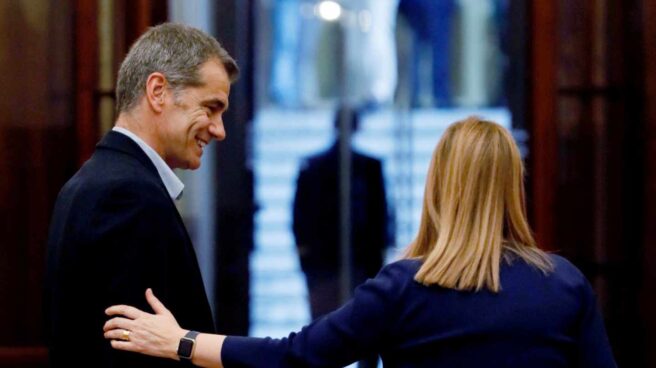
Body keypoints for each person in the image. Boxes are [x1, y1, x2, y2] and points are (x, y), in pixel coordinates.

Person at [102, 117, 617, 367]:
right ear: (513, 186)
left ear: (438, 185)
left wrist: (182, 342)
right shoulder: (565, 285)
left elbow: (296, 357)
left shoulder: (405, 287)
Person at [45, 23, 238, 367]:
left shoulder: (96, 180)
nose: (219, 130)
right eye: (210, 108)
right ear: (158, 91)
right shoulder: (127, 195)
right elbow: (134, 353)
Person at [293, 106, 391, 322]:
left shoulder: (368, 167)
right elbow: (300, 218)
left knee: (360, 323)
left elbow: (381, 215)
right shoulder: (315, 167)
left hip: (354, 260)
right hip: (330, 262)